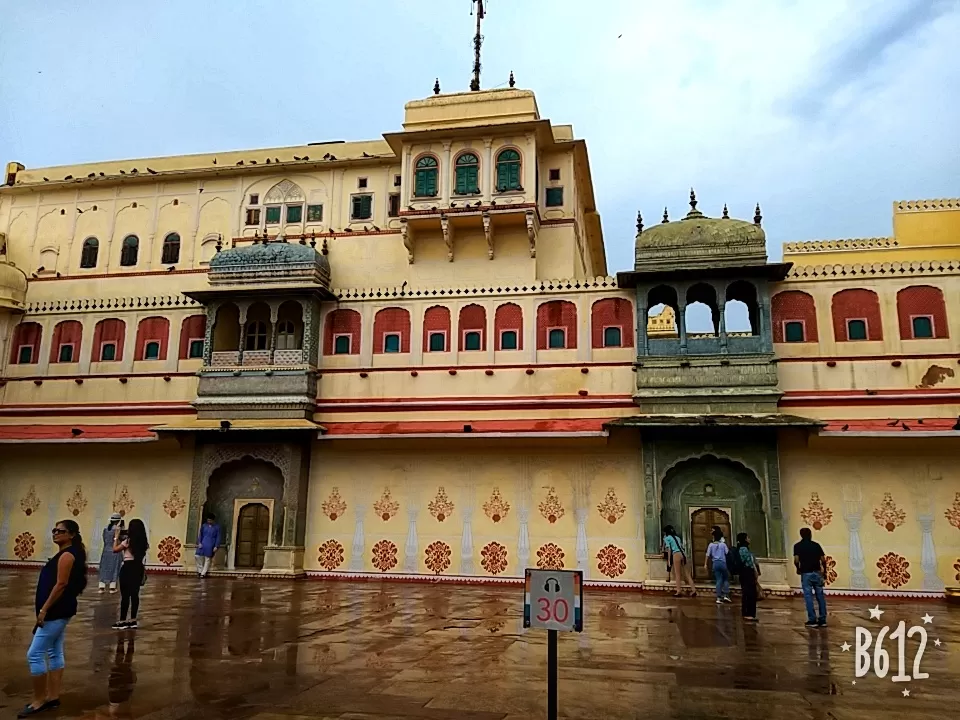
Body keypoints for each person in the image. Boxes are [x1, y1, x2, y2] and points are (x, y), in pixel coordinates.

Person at [20, 519, 87, 718]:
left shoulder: (67, 555)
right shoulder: (66, 554)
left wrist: (44, 610)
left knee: (34, 654)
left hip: (56, 611)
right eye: (54, 530)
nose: (55, 533)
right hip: (61, 610)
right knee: (54, 651)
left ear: (72, 534)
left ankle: (39, 700)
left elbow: (61, 585)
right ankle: (53, 697)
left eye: (60, 531)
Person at [112, 519, 148, 630]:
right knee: (135, 595)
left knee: (125, 596)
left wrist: (116, 537)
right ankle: (133, 620)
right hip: (138, 567)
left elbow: (115, 549)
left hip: (127, 567)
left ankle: (122, 620)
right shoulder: (144, 542)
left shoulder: (128, 541)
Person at [794, 527, 828, 628]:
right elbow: (823, 560)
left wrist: (798, 568)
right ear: (810, 535)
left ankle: (812, 620)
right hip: (817, 572)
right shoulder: (816, 545)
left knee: (808, 597)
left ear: (801, 535)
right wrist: (824, 571)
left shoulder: (797, 546)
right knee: (820, 596)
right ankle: (822, 620)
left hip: (806, 573)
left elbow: (796, 560)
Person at [662, 525, 697, 597]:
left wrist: (669, 560)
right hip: (683, 554)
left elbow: (669, 549)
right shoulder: (677, 538)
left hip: (676, 554)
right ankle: (694, 590)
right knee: (687, 574)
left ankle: (678, 591)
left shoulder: (667, 538)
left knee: (677, 574)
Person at [704, 527, 731, 604]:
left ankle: (718, 597)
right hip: (722, 563)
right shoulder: (723, 545)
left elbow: (707, 555)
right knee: (725, 578)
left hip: (715, 564)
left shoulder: (711, 545)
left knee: (718, 580)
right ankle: (726, 595)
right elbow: (727, 553)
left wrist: (705, 564)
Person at [98, 514, 123, 593]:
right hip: (115, 551)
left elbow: (104, 539)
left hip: (106, 550)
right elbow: (118, 541)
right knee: (115, 568)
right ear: (118, 521)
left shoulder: (106, 529)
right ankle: (112, 587)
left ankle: (101, 587)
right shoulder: (118, 529)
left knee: (104, 568)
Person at [736, 532, 758, 622]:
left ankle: (747, 612)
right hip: (747, 572)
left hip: (744, 573)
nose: (749, 539)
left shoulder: (741, 549)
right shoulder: (744, 549)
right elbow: (749, 562)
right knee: (750, 593)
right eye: (748, 537)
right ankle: (749, 613)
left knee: (746, 593)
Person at [195, 513, 221, 578]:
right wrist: (199, 542)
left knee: (207, 559)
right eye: (208, 520)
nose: (209, 521)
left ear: (213, 520)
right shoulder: (204, 526)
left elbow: (218, 537)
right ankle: (200, 570)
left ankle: (203, 573)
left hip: (211, 544)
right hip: (203, 543)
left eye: (210, 520)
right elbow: (200, 535)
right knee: (197, 556)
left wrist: (216, 546)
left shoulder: (217, 527)